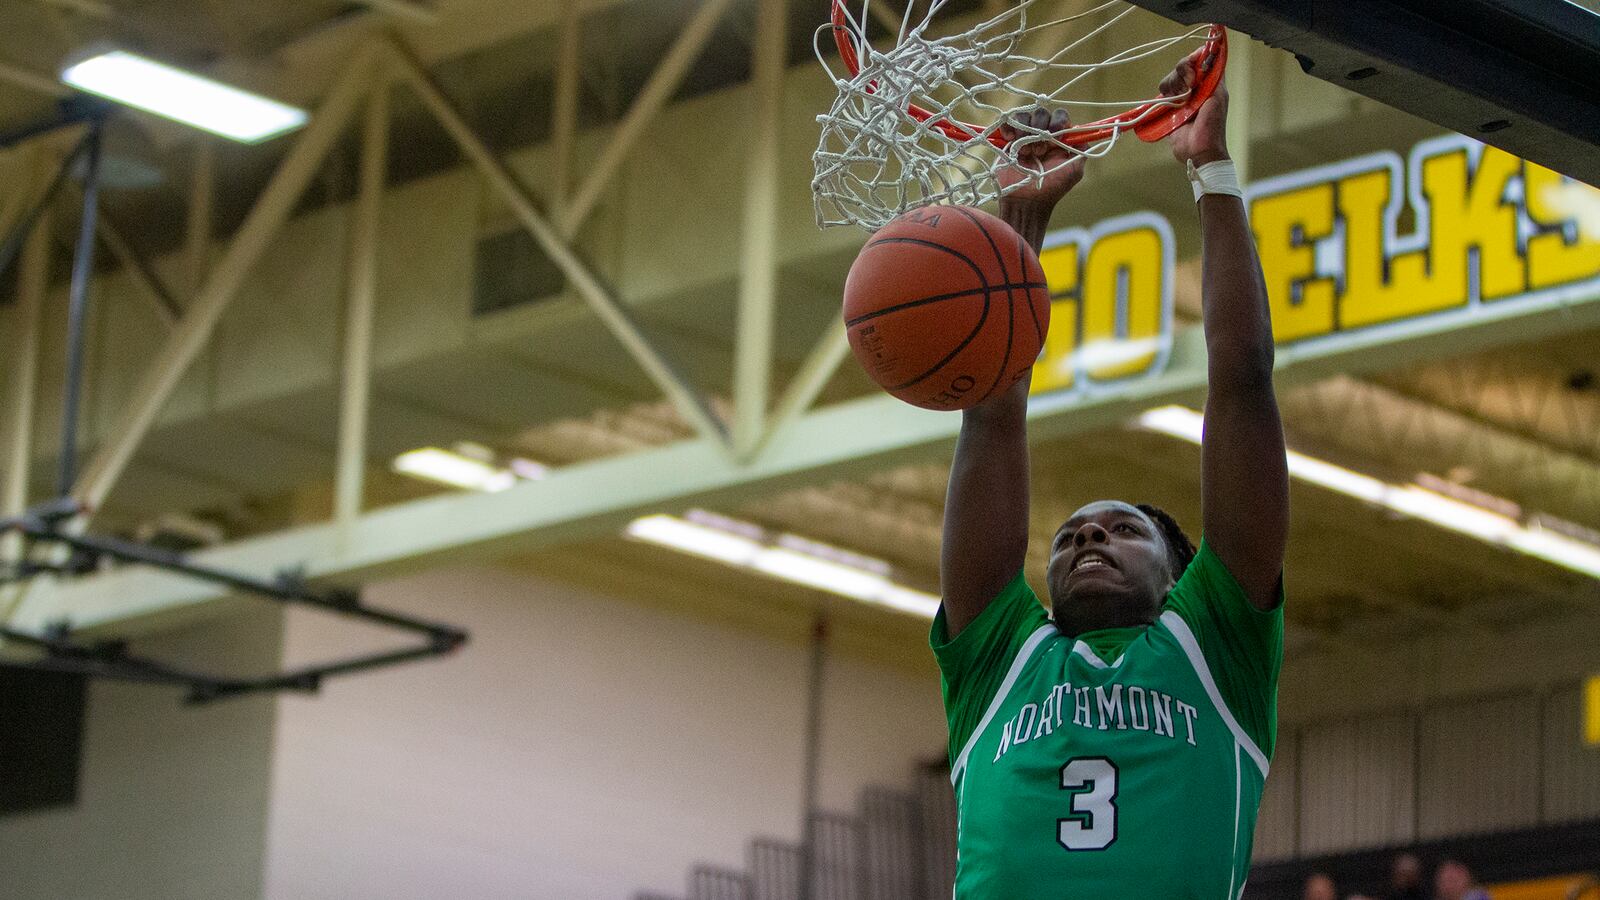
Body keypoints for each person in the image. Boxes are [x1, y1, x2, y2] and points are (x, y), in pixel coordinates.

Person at [930, 58, 1289, 898]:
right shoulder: (999, 660)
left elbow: (1242, 378)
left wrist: (1210, 167)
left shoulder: (1216, 644)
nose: (1088, 536)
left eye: (1123, 529)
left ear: (1182, 574)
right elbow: (991, 415)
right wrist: (1020, 211)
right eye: (1071, 536)